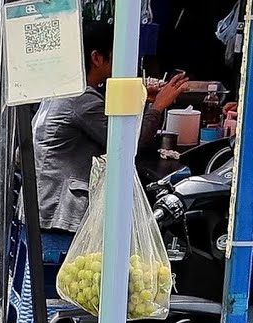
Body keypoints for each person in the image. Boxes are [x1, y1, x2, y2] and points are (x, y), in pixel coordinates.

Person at [32, 21, 187, 235]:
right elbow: (128, 143)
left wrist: (144, 100)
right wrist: (159, 106)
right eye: (117, 55)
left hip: (44, 203)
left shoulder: (65, 90)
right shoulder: (81, 99)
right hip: (59, 212)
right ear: (97, 58)